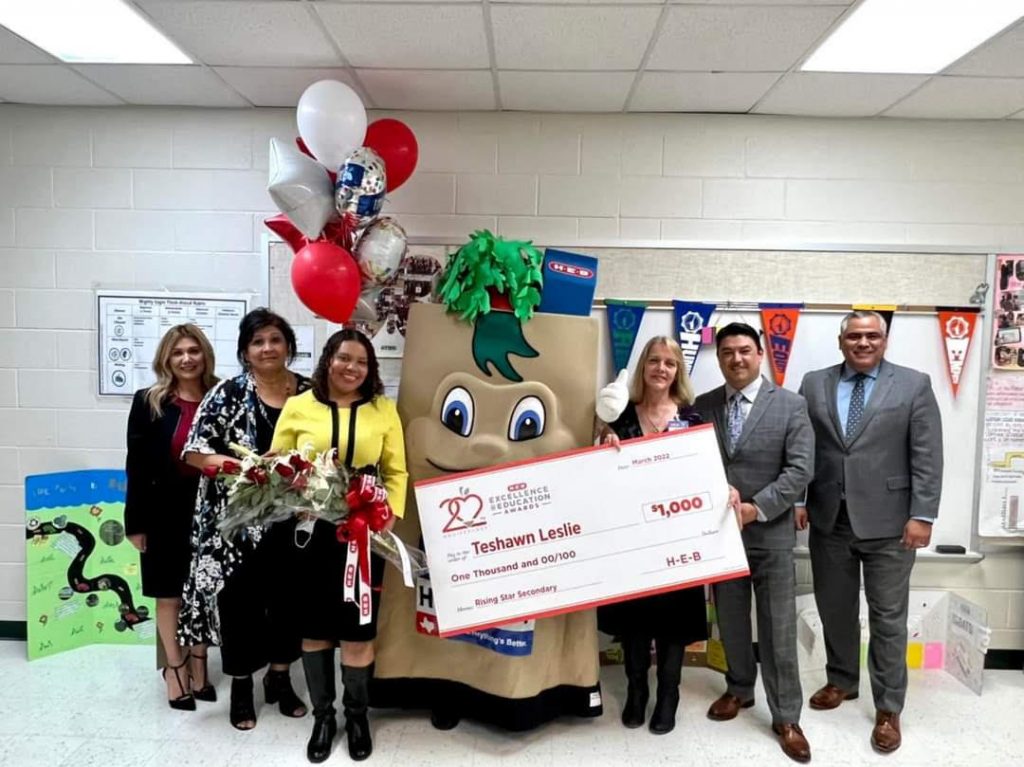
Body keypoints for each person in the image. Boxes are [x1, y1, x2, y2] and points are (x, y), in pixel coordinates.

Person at [798, 310, 943, 755]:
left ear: (884, 340)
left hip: (892, 524)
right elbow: (802, 445)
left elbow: (928, 454)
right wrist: (800, 500)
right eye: (854, 336)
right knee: (835, 610)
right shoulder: (813, 383)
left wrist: (923, 514)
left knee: (887, 619)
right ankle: (842, 681)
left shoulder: (913, 384)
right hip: (829, 520)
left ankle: (888, 707)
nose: (863, 343)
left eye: (872, 336)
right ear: (841, 341)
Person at [271, 328, 408, 763]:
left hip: (363, 535)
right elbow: (276, 464)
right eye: (344, 358)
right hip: (311, 534)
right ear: (328, 359)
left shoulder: (384, 410)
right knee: (315, 631)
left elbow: (397, 472)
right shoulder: (298, 406)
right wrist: (294, 493)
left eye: (361, 362)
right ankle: (324, 718)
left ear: (370, 370)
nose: (352, 368)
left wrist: (388, 515)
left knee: (357, 631)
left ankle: (357, 715)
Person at [179, 308, 310, 730]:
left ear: (288, 345)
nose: (267, 348)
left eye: (275, 339)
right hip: (236, 528)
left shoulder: (310, 394)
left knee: (289, 604)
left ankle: (279, 679)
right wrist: (244, 469)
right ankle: (240, 688)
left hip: (295, 525)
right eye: (258, 342)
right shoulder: (228, 394)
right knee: (241, 607)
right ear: (245, 352)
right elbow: (194, 452)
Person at [693, 323, 814, 763]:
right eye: (727, 352)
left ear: (760, 354)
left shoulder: (791, 406)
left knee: (778, 627)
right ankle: (739, 689)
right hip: (720, 537)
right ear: (719, 357)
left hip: (770, 534)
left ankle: (787, 716)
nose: (736, 359)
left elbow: (800, 470)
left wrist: (755, 508)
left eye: (745, 350)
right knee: (731, 619)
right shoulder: (703, 406)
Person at [597, 336, 709, 735]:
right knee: (635, 621)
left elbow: (706, 475)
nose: (662, 368)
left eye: (670, 363)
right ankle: (636, 692)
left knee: (674, 623)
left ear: (678, 371)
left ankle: (668, 697)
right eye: (654, 361)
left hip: (679, 539)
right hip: (632, 540)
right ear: (643, 367)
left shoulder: (693, 418)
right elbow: (601, 478)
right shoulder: (621, 417)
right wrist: (603, 445)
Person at [125, 324, 219, 710]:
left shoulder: (220, 395)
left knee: (202, 593)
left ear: (205, 354)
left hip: (209, 512)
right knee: (169, 595)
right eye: (178, 352)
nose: (186, 358)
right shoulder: (149, 401)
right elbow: (136, 463)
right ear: (166, 358)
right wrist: (136, 522)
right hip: (163, 511)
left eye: (193, 350)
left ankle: (201, 664)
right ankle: (175, 669)